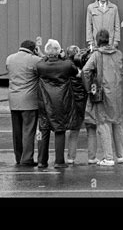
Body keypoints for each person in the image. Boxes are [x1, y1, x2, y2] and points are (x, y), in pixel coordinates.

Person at [82, 29, 123, 166]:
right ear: (109, 39)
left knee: (103, 123)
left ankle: (108, 157)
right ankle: (120, 155)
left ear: (97, 40)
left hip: (103, 92)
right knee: (117, 123)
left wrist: (89, 87)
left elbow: (85, 70)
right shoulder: (118, 53)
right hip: (118, 92)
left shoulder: (96, 55)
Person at [36, 39, 78, 169]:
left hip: (44, 101)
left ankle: (42, 161)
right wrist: (63, 57)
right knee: (60, 130)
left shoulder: (40, 66)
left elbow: (41, 62)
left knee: (44, 129)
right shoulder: (66, 65)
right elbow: (76, 72)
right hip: (60, 100)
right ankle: (59, 161)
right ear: (59, 51)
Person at [5, 40, 43, 166]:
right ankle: (27, 158)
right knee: (28, 130)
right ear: (33, 49)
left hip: (13, 99)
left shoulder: (10, 59)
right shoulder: (34, 60)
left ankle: (18, 156)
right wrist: (40, 54)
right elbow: (45, 66)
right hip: (29, 100)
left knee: (17, 131)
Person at [64, 45, 90, 164]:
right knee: (89, 128)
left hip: (69, 101)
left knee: (71, 130)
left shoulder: (65, 67)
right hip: (82, 100)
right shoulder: (83, 69)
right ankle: (91, 156)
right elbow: (87, 84)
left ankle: (70, 157)